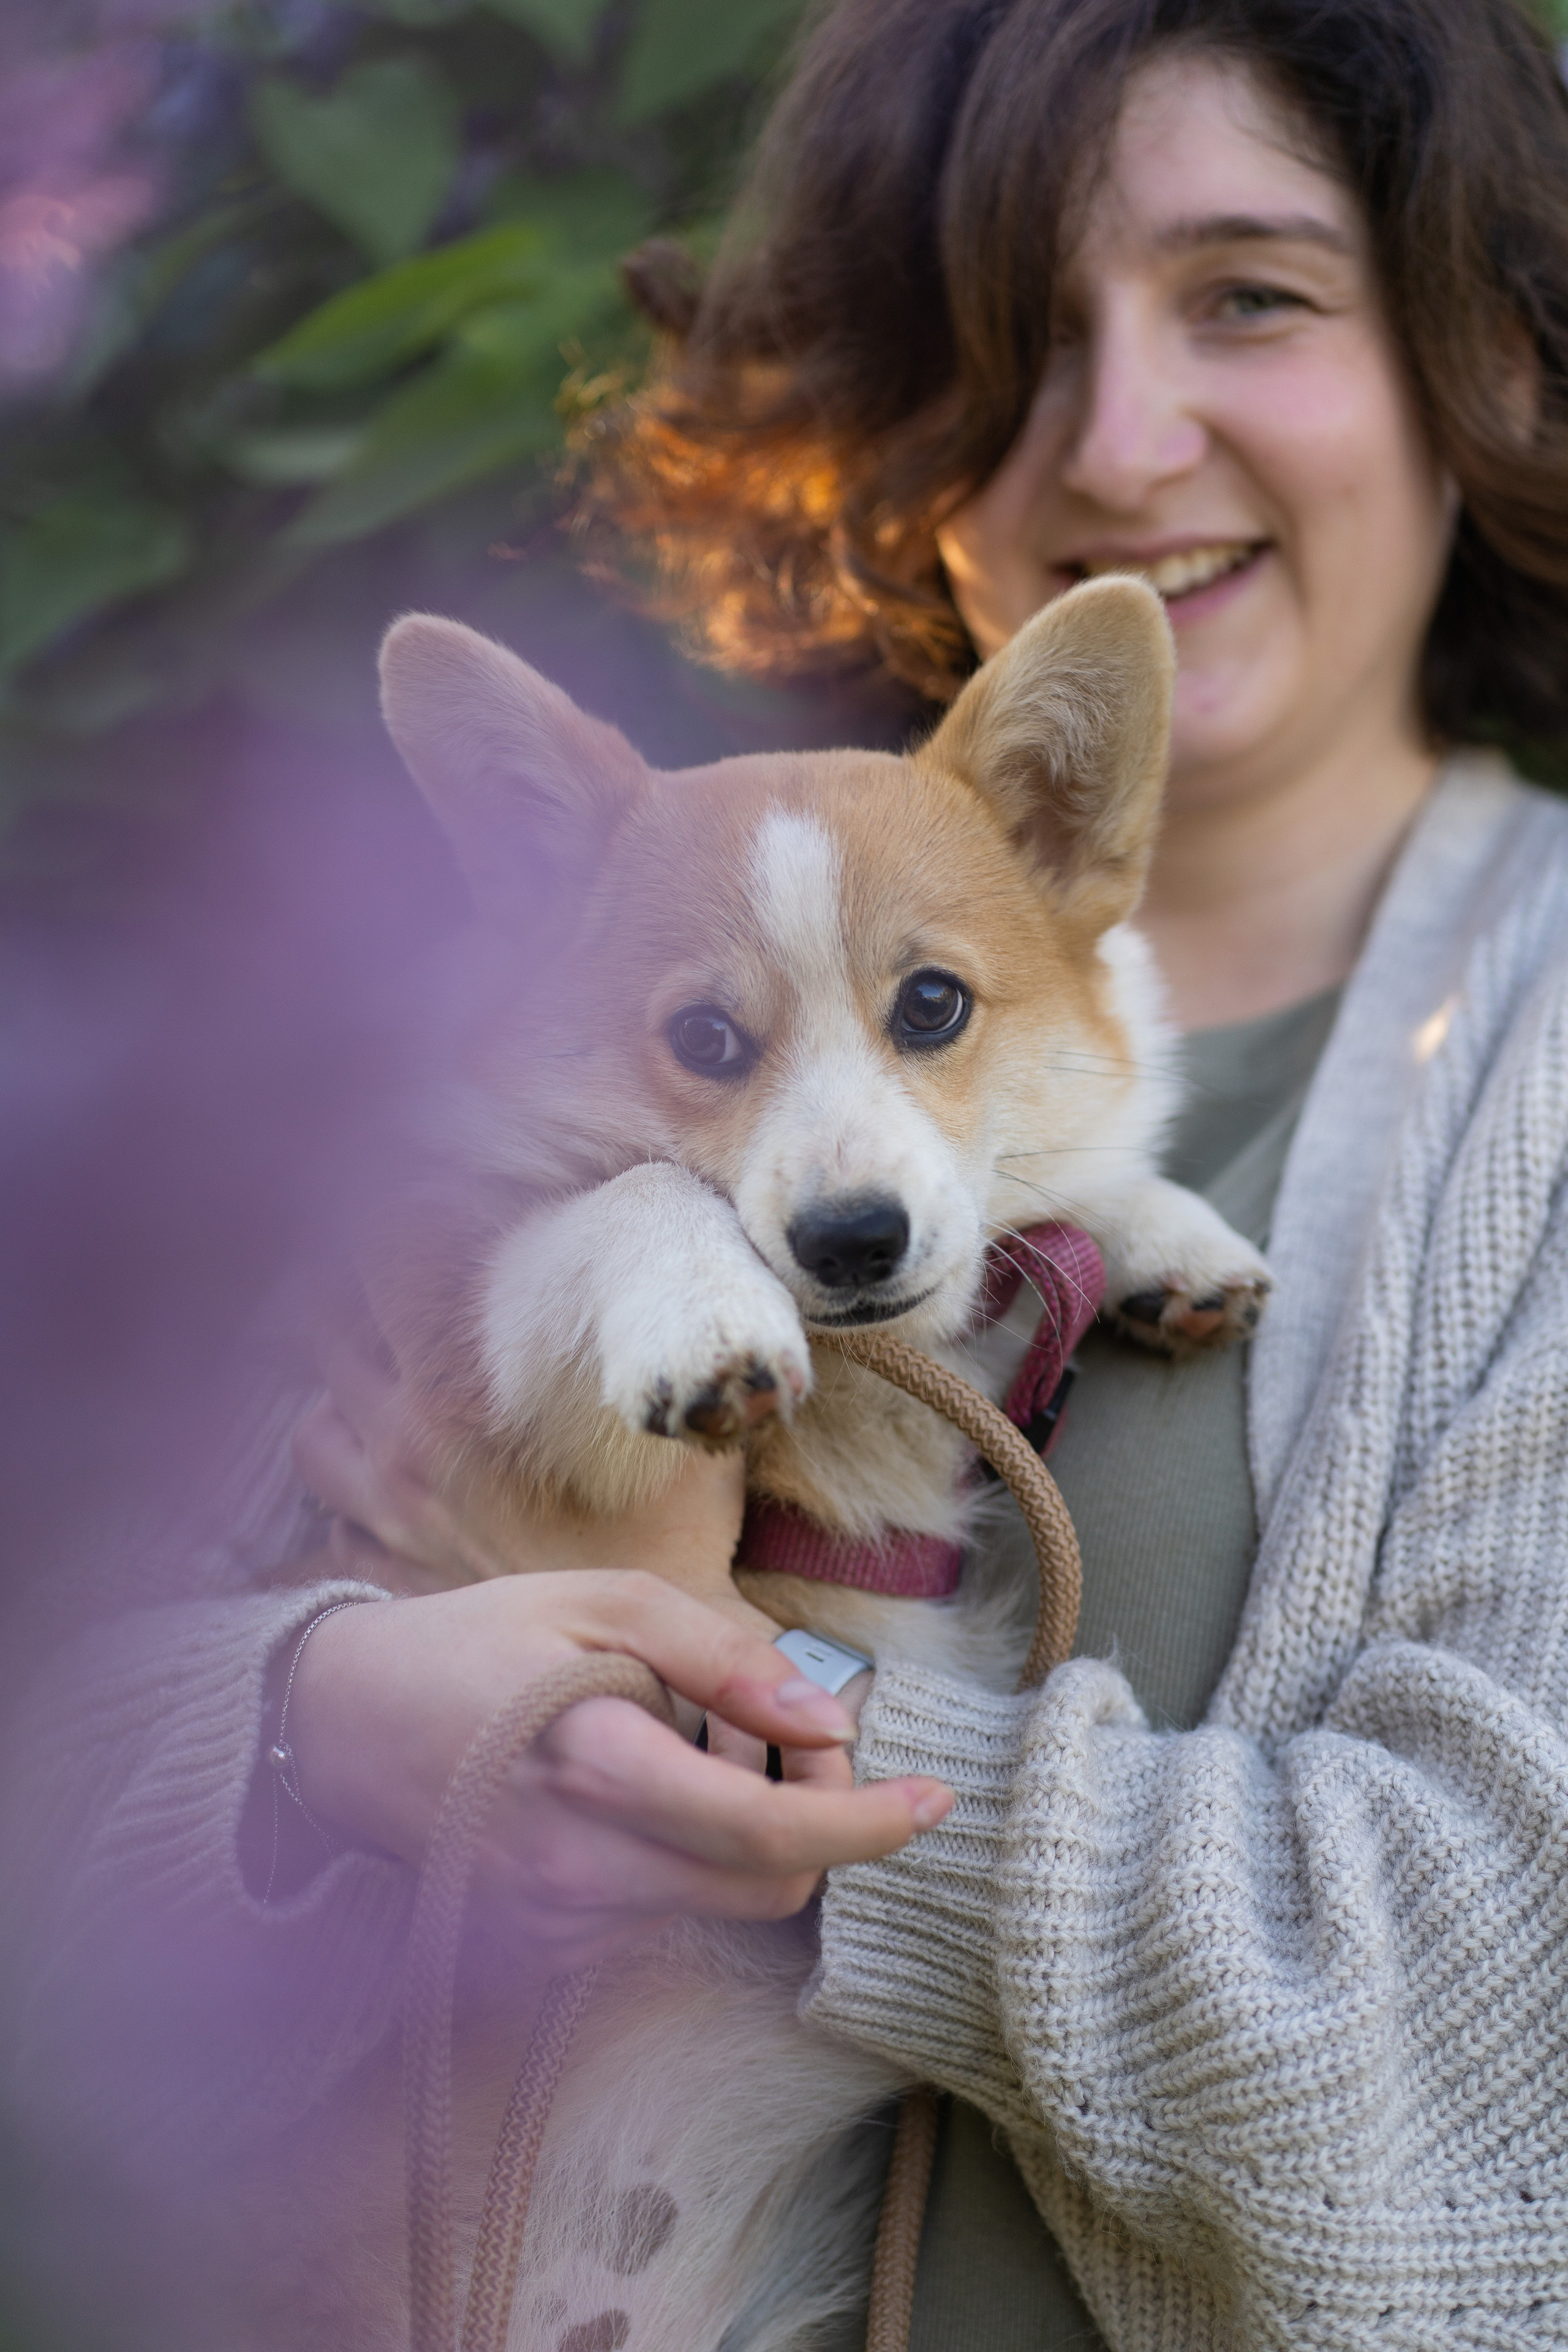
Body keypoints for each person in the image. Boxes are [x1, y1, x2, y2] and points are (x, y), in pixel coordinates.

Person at [8, 0, 1568, 2345]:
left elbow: (1478, 2055)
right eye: (1019, 328)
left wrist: (736, 1749)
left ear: (1482, 347)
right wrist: (325, 1715)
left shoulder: (1524, 1066)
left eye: (1249, 292)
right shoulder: (633, 941)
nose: (1129, 437)